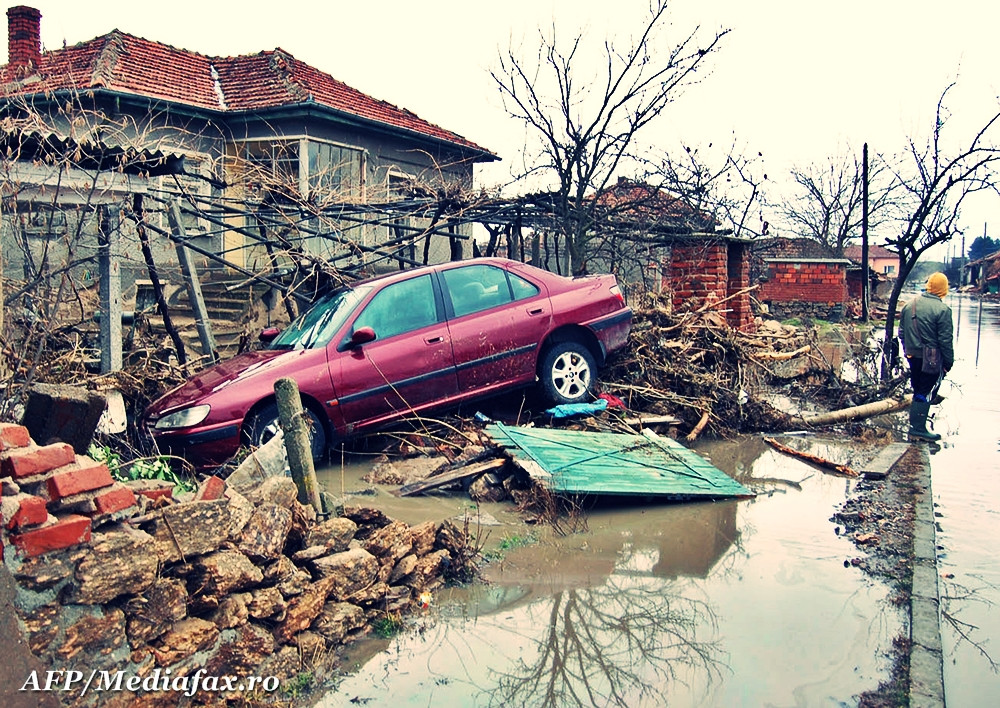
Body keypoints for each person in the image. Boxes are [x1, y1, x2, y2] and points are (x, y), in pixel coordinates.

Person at [899, 272, 954, 441]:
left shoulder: (909, 305)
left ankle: (916, 427)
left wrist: (908, 350)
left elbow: (901, 333)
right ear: (943, 289)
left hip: (912, 355)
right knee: (926, 391)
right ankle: (918, 429)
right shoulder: (943, 310)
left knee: (918, 389)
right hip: (931, 359)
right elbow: (945, 340)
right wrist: (948, 362)